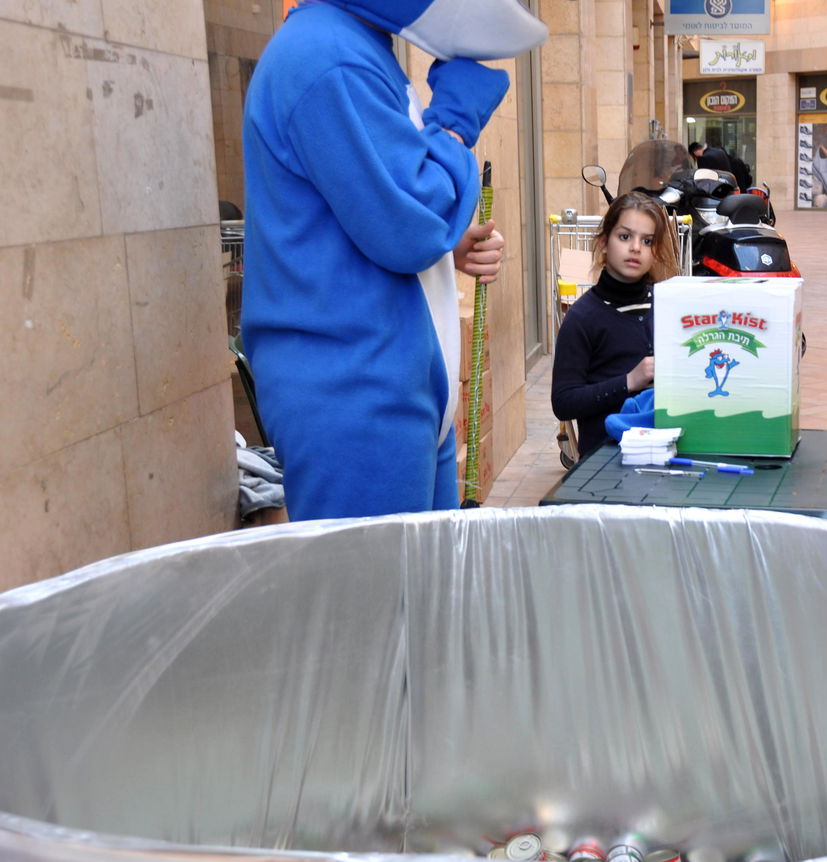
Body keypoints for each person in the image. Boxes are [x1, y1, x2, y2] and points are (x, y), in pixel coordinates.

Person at [241, 0, 546, 520]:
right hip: (357, 398)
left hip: (390, 391)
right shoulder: (329, 57)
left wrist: (444, 250)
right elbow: (410, 222)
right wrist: (452, 125)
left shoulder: (355, 47)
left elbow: (372, 209)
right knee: (377, 599)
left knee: (418, 595)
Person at [551, 192, 682, 458]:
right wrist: (628, 381)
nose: (636, 247)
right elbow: (564, 403)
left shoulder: (670, 306)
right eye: (625, 237)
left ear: (655, 252)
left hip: (670, 448)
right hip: (608, 456)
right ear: (603, 243)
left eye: (647, 241)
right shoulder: (583, 317)